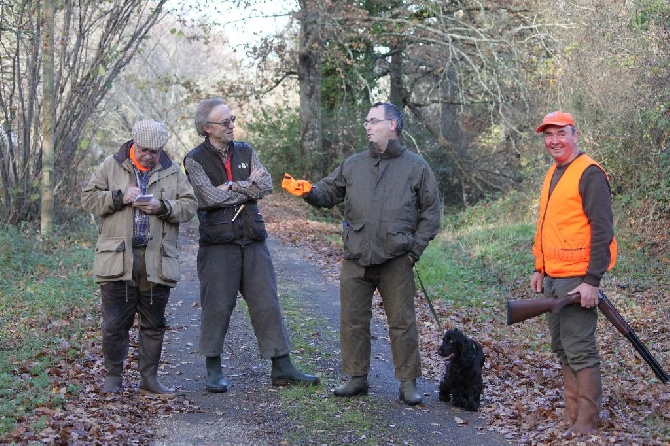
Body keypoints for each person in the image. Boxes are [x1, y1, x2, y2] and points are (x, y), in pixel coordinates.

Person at [282, 101, 441, 405]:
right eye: (366, 122)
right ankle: (357, 378)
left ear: (392, 125)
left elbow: (431, 214)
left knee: (402, 322)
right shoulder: (353, 164)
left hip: (397, 258)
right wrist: (308, 191)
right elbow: (328, 192)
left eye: (373, 121)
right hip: (356, 256)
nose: (367, 126)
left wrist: (414, 252)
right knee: (353, 320)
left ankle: (408, 383)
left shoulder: (416, 167)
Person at [183, 97, 320, 393]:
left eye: (232, 119)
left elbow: (267, 185)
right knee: (217, 305)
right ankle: (213, 369)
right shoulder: (194, 159)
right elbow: (207, 198)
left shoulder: (246, 150)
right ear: (207, 128)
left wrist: (231, 186)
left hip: (253, 238)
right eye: (225, 122)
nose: (232, 125)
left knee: (267, 302)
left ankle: (282, 367)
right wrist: (246, 187)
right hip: (218, 243)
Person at [81, 119, 198, 397]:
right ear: (133, 143)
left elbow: (190, 205)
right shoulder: (111, 165)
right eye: (144, 149)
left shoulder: (172, 171)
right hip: (118, 259)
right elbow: (88, 199)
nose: (149, 155)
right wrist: (120, 196)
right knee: (114, 324)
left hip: (157, 259)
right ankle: (113, 378)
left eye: (155, 151)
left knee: (154, 322)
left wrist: (163, 207)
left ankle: (149, 380)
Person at [530, 111, 617, 436]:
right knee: (562, 347)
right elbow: (547, 226)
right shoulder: (554, 172)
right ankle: (571, 414)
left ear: (575, 135)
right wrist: (540, 268)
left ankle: (587, 421)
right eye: (548, 135)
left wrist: (591, 281)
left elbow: (602, 230)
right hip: (554, 276)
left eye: (560, 134)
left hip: (578, 277)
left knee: (580, 347)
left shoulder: (589, 173)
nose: (554, 141)